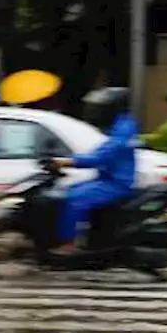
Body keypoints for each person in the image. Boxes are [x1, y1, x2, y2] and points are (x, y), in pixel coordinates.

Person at [52, 87, 138, 253]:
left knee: (74, 200)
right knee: (66, 190)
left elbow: (103, 156)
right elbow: (100, 150)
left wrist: (69, 162)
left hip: (116, 183)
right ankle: (85, 235)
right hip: (106, 178)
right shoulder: (118, 124)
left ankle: (69, 244)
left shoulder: (123, 128)